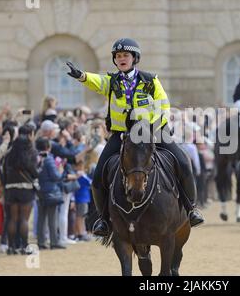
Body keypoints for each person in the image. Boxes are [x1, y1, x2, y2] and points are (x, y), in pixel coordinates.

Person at [66, 38, 204, 238]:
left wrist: (153, 128)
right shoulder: (111, 82)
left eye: (125, 55)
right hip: (122, 135)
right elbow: (96, 81)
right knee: (97, 177)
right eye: (118, 56)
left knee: (184, 162)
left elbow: (164, 105)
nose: (121, 59)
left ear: (134, 58)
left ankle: (191, 209)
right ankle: (103, 220)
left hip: (153, 132)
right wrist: (80, 75)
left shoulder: (150, 80)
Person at [1, 124, 38, 255]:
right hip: (25, 188)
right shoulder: (31, 152)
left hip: (10, 188)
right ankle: (24, 247)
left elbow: (3, 170)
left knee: (12, 218)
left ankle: (11, 247)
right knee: (24, 219)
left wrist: (5, 185)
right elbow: (34, 171)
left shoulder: (10, 153)